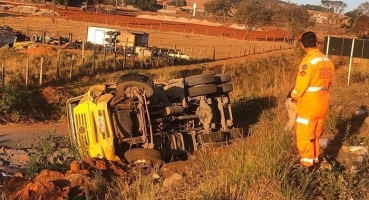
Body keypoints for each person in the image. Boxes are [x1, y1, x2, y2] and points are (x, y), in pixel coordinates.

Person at [290, 31, 334, 167]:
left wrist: (293, 96)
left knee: (305, 135)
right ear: (315, 43)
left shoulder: (308, 62)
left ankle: (306, 164)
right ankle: (314, 158)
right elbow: (329, 82)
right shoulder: (326, 60)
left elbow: (301, 86)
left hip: (309, 105)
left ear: (302, 44)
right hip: (323, 103)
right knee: (315, 133)